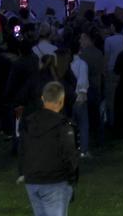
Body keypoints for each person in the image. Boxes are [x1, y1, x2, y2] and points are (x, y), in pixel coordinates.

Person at [19, 80, 79, 216]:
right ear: (61, 101)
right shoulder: (63, 126)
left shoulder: (29, 122)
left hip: (32, 181)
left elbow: (22, 150)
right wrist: (72, 179)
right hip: (55, 181)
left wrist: (23, 172)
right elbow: (69, 154)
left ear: (42, 99)